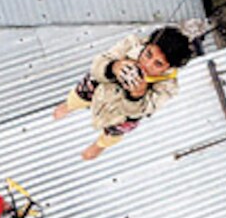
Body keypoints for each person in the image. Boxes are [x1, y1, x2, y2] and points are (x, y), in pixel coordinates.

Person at [52, 27, 192, 160]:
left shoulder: (168, 87)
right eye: (148, 54)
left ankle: (99, 145)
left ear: (168, 68)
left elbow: (145, 109)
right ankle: (69, 105)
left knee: (116, 132)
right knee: (80, 94)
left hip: (122, 114)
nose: (146, 64)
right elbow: (99, 63)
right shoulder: (131, 43)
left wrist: (137, 94)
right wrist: (114, 67)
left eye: (158, 64)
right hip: (101, 85)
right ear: (147, 44)